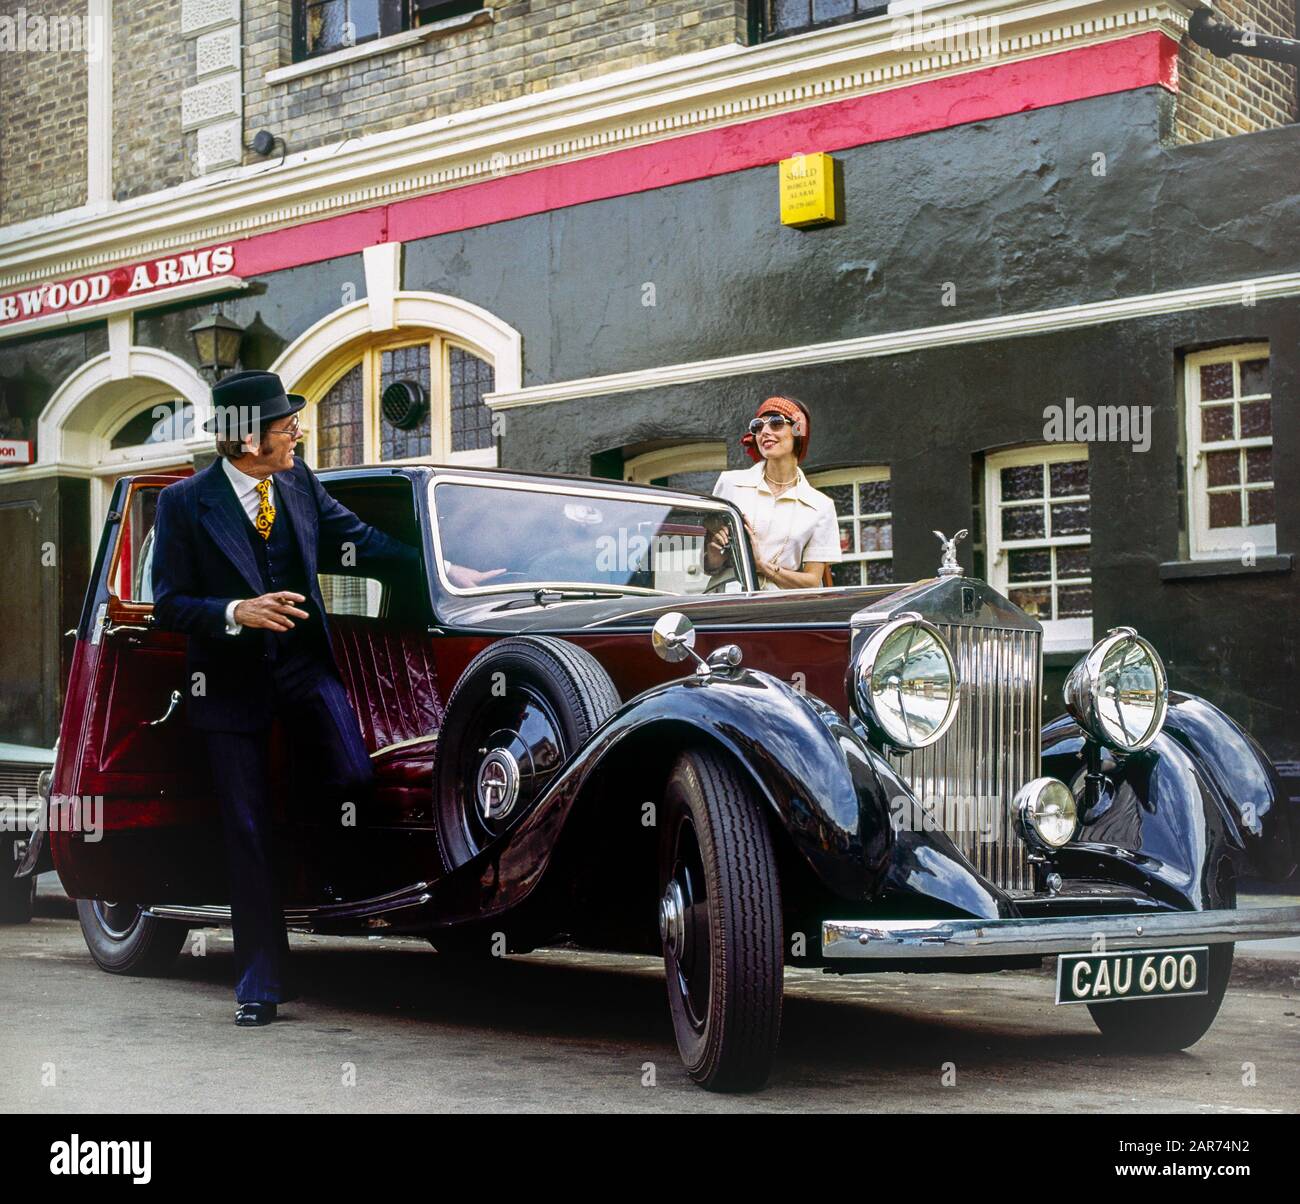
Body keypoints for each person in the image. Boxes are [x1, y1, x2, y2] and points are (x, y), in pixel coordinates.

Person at [151, 369, 418, 1027]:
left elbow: (360, 541)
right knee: (245, 831)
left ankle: (328, 879)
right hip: (229, 683)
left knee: (354, 774)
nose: (296, 429)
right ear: (248, 441)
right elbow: (168, 605)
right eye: (284, 423)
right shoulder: (184, 505)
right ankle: (260, 984)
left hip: (303, 668)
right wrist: (238, 610)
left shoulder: (298, 483)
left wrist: (446, 561)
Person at [707, 396, 841, 590]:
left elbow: (812, 581)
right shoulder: (730, 483)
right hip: (728, 602)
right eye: (758, 427)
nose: (765, 432)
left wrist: (761, 566)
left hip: (779, 609)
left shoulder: (820, 506)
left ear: (798, 430)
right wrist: (714, 552)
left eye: (776, 423)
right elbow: (708, 565)